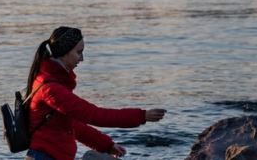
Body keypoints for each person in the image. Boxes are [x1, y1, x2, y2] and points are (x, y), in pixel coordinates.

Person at [25, 26, 166, 160]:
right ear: (65, 52)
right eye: (78, 52)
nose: (82, 59)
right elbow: (94, 115)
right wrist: (141, 115)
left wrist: (106, 145)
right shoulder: (51, 89)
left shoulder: (50, 80)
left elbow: (72, 125)